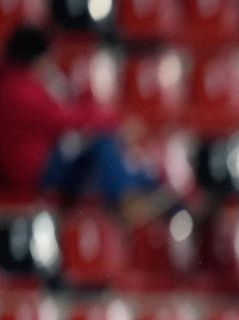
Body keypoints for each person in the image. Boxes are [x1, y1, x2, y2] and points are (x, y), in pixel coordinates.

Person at [0, 25, 171, 222]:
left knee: (108, 148)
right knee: (103, 142)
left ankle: (150, 189)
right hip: (35, 172)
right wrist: (117, 122)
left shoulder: (15, 83)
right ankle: (131, 199)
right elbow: (64, 119)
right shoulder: (18, 90)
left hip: (41, 163)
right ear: (37, 57)